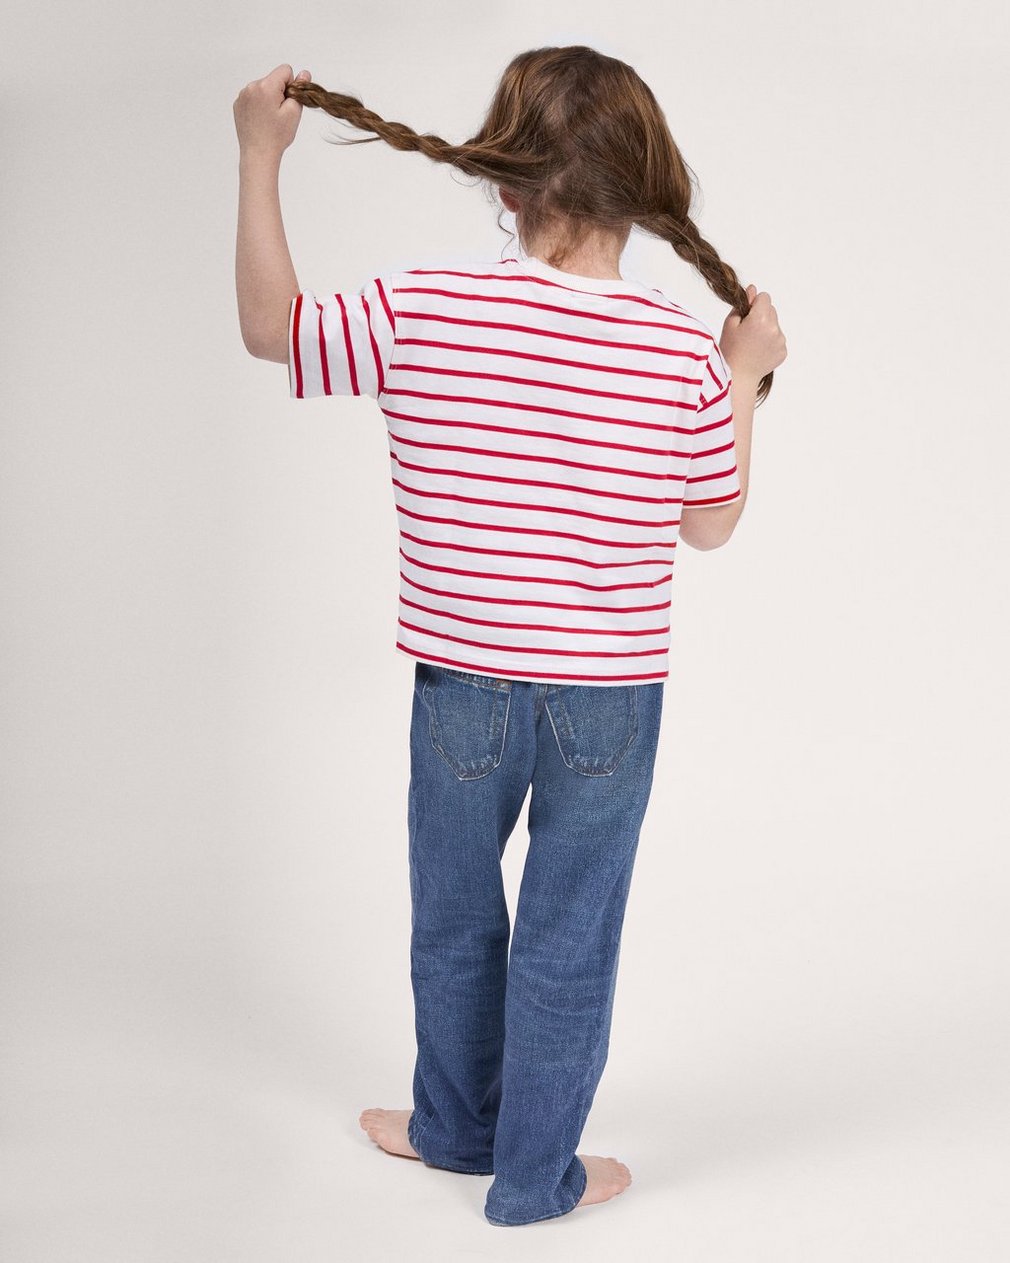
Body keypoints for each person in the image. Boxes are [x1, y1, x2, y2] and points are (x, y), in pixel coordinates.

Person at [234, 46, 787, 1228]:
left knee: (452, 914)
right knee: (566, 939)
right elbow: (709, 522)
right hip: (607, 702)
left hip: (460, 688)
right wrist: (741, 377)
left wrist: (258, 155)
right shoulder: (673, 350)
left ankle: (453, 1127)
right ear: (646, 192)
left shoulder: (422, 305)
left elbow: (272, 329)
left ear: (501, 181)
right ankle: (529, 1176)